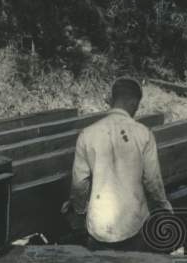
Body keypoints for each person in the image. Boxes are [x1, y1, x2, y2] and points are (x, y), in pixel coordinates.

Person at [67, 77, 172, 251]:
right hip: (134, 224)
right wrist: (164, 208)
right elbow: (152, 181)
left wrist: (79, 213)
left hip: (98, 226)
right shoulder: (144, 134)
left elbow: (79, 185)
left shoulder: (87, 135)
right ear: (133, 103)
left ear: (113, 100)